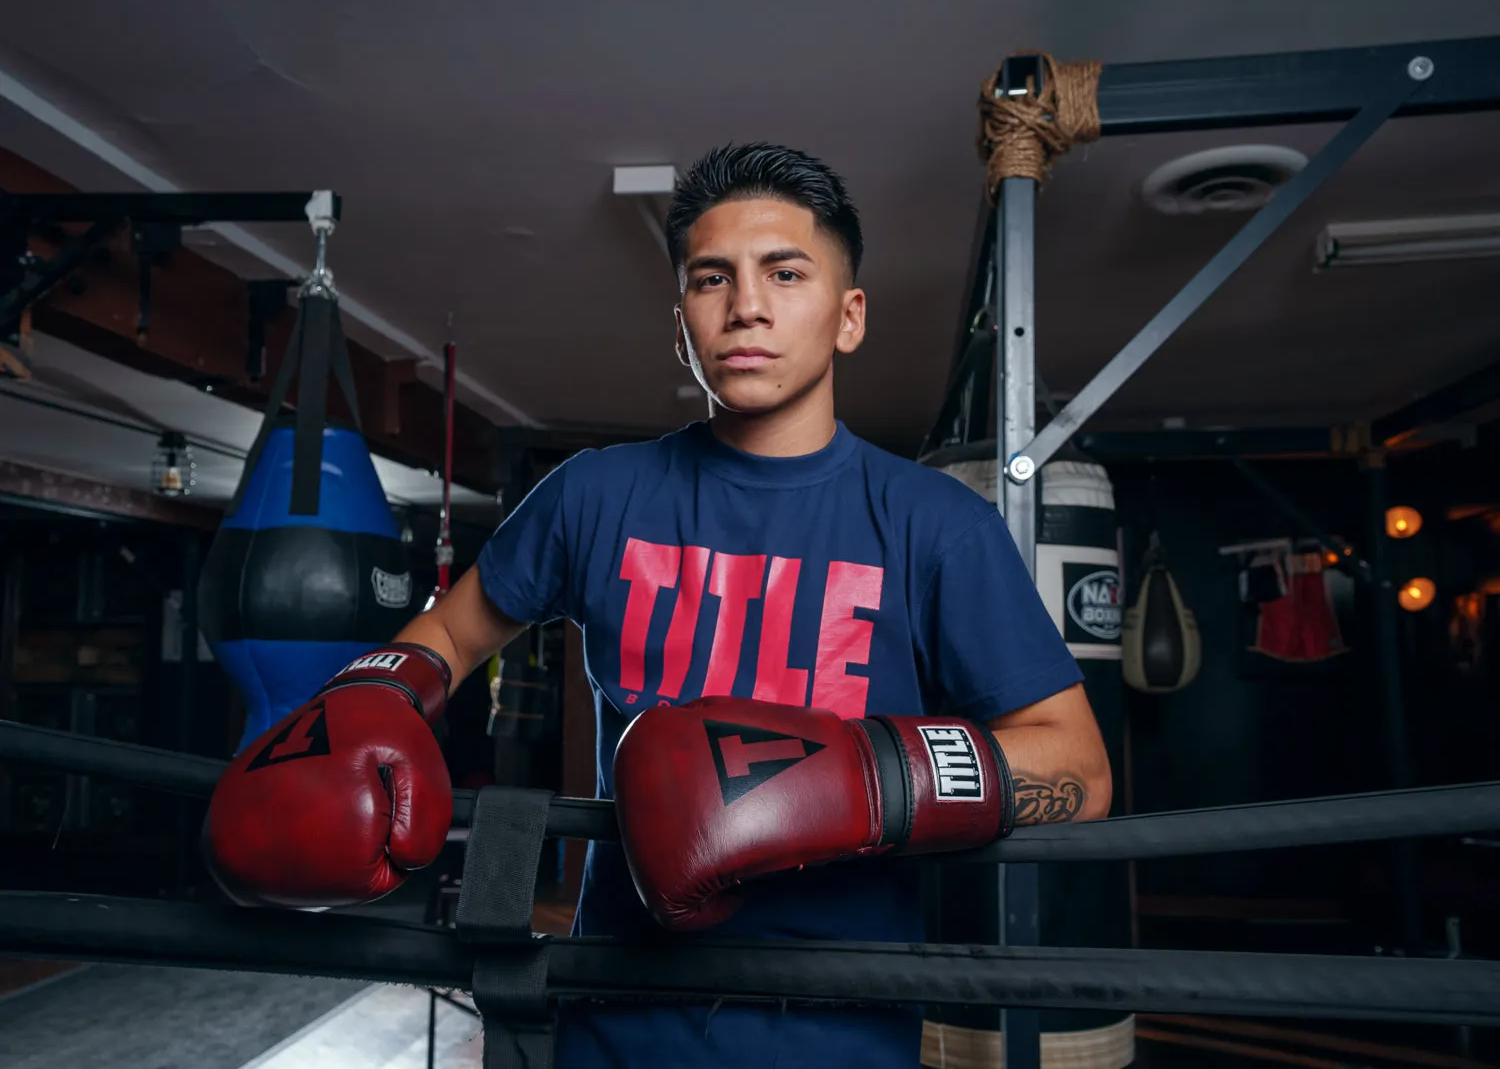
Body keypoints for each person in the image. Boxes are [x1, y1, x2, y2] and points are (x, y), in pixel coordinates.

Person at [207, 142, 1113, 1068]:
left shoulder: (937, 526)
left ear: (849, 318)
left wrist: (869, 781)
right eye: (710, 279)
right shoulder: (596, 495)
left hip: (839, 1027)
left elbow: (1079, 771)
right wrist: (377, 699)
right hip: (615, 1014)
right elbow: (449, 629)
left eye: (785, 272)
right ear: (681, 322)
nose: (746, 306)